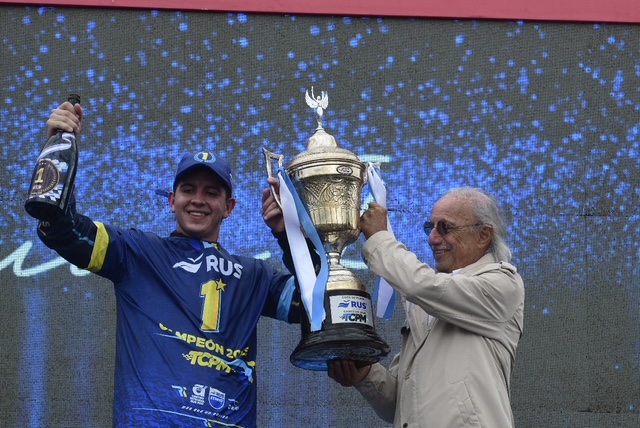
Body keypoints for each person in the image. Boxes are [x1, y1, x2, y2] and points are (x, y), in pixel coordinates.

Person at [34, 100, 300, 427]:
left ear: (229, 207)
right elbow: (62, 229)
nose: (198, 199)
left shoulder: (255, 276)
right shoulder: (137, 253)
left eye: (211, 192)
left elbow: (317, 305)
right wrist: (58, 148)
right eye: (188, 190)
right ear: (173, 200)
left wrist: (289, 234)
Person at [328, 187, 525, 427]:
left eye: (445, 228)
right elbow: (399, 407)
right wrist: (367, 375)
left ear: (483, 235)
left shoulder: (503, 284)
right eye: (430, 227)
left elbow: (423, 285)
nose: (432, 238)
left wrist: (380, 239)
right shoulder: (428, 303)